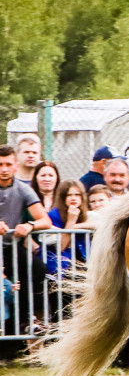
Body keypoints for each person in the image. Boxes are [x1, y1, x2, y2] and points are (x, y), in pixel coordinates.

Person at [0, 145, 52, 359]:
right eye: (0, 165)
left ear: (15, 166)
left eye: (8, 165)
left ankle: (26, 321)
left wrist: (30, 225)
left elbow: (45, 220)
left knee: (38, 270)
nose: (3, 169)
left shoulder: (23, 189)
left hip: (11, 247)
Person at [43, 180, 94, 274]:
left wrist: (74, 226)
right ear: (63, 198)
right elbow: (61, 247)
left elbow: (99, 224)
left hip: (84, 263)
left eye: (77, 195)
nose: (73, 198)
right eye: (69, 195)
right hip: (61, 266)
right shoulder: (53, 215)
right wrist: (71, 221)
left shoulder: (85, 214)